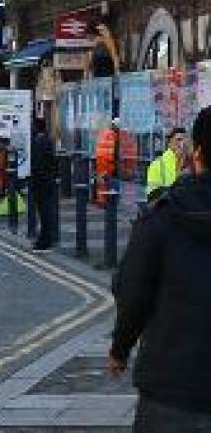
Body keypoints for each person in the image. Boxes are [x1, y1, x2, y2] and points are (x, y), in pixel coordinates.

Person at [108, 105, 211, 430]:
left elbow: (133, 291)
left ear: (197, 154)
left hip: (173, 389)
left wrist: (120, 349)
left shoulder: (161, 218)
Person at [30, 116, 57, 252]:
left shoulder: (42, 142)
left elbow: (41, 165)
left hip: (43, 183)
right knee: (44, 212)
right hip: (44, 182)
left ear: (37, 127)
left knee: (45, 212)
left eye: (33, 126)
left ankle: (45, 241)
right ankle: (45, 239)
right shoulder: (44, 141)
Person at [146, 126, 187, 202]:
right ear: (169, 143)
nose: (183, 144)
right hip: (168, 211)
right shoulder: (157, 165)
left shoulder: (192, 164)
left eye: (185, 140)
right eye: (178, 140)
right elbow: (152, 198)